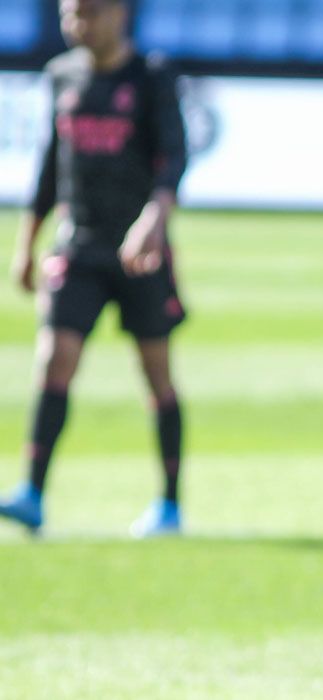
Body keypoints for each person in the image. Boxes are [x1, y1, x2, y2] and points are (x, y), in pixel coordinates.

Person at [0, 0, 188, 538]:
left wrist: (153, 220)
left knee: (156, 374)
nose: (77, 25)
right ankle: (32, 494)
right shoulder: (62, 76)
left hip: (141, 254)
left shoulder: (151, 77)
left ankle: (170, 505)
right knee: (54, 359)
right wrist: (26, 244)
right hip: (78, 246)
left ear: (119, 14)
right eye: (69, 14)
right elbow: (49, 166)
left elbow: (173, 160)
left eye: (88, 13)